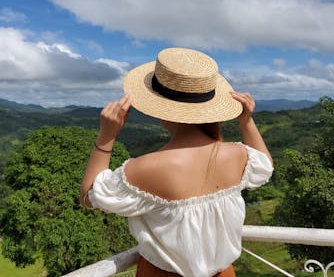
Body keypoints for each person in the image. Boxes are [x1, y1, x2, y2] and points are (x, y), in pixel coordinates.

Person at [80, 47, 273, 277]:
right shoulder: (239, 155)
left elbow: (89, 196)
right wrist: (247, 122)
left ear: (160, 108)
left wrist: (106, 137)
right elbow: (265, 165)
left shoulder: (145, 168)